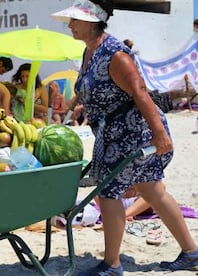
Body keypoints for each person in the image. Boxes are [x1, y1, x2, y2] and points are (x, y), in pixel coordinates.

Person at [52, 0, 198, 274]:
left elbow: (140, 92)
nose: (70, 25)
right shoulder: (90, 51)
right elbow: (90, 88)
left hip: (133, 132)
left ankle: (111, 264)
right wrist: (70, 107)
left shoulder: (115, 53)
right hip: (115, 132)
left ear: (92, 21)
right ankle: (191, 252)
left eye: (74, 20)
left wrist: (160, 135)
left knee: (108, 193)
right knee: (152, 189)